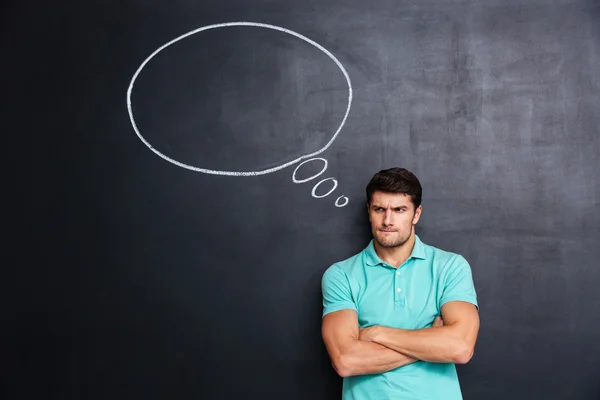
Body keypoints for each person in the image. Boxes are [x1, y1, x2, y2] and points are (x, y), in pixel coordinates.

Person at [321, 167, 480, 400]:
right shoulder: (340, 275)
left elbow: (460, 348)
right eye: (379, 209)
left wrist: (376, 333)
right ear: (369, 212)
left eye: (399, 210)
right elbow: (346, 361)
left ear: (416, 214)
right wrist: (429, 341)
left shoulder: (450, 267)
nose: (387, 220)